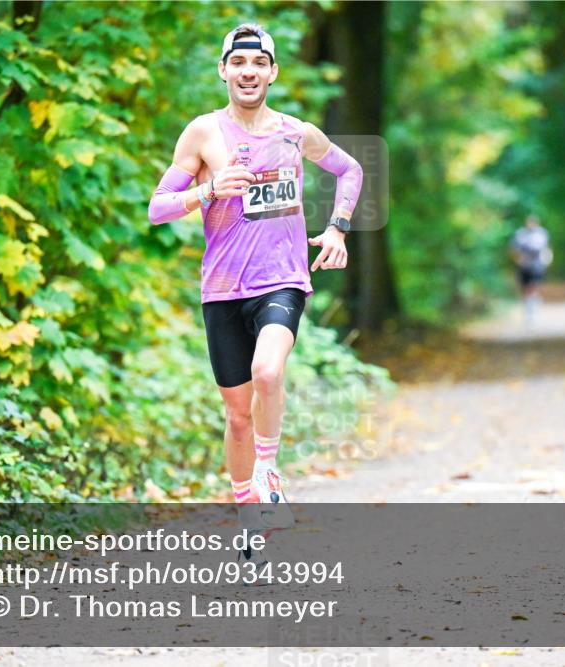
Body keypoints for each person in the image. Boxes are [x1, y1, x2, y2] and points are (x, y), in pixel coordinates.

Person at [147, 24, 363, 541]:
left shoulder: (294, 132)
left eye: (258, 63)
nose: (248, 71)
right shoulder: (202, 134)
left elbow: (350, 170)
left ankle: (268, 471)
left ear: (272, 72)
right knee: (238, 416)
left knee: (268, 372)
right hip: (222, 290)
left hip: (281, 281)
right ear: (224, 70)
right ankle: (249, 517)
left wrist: (338, 227)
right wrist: (208, 190)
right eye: (238, 62)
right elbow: (156, 209)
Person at [510, 214, 552, 326]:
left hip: (537, 266)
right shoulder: (520, 234)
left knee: (534, 286)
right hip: (524, 266)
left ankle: (533, 308)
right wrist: (518, 260)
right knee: (525, 289)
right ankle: (528, 309)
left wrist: (546, 260)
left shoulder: (542, 234)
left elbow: (546, 249)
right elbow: (515, 250)